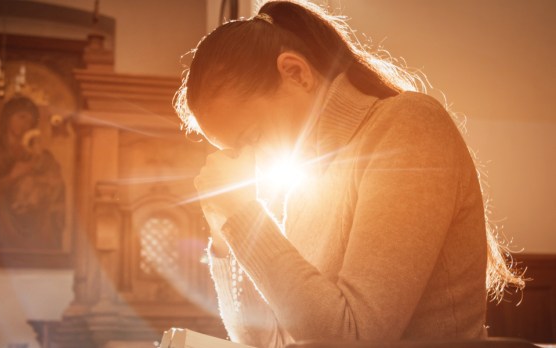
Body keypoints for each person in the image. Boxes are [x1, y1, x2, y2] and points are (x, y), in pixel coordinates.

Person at [174, 1, 524, 346]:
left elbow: (355, 337)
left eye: (253, 138)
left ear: (296, 72)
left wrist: (244, 217)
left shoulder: (409, 126)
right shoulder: (306, 182)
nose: (255, 162)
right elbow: (264, 337)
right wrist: (225, 230)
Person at [0, 96, 65, 250]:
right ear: (7, 118)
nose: (26, 124)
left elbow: (57, 194)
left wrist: (40, 180)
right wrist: (12, 176)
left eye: (31, 120)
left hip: (38, 236)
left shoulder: (44, 157)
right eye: (21, 117)